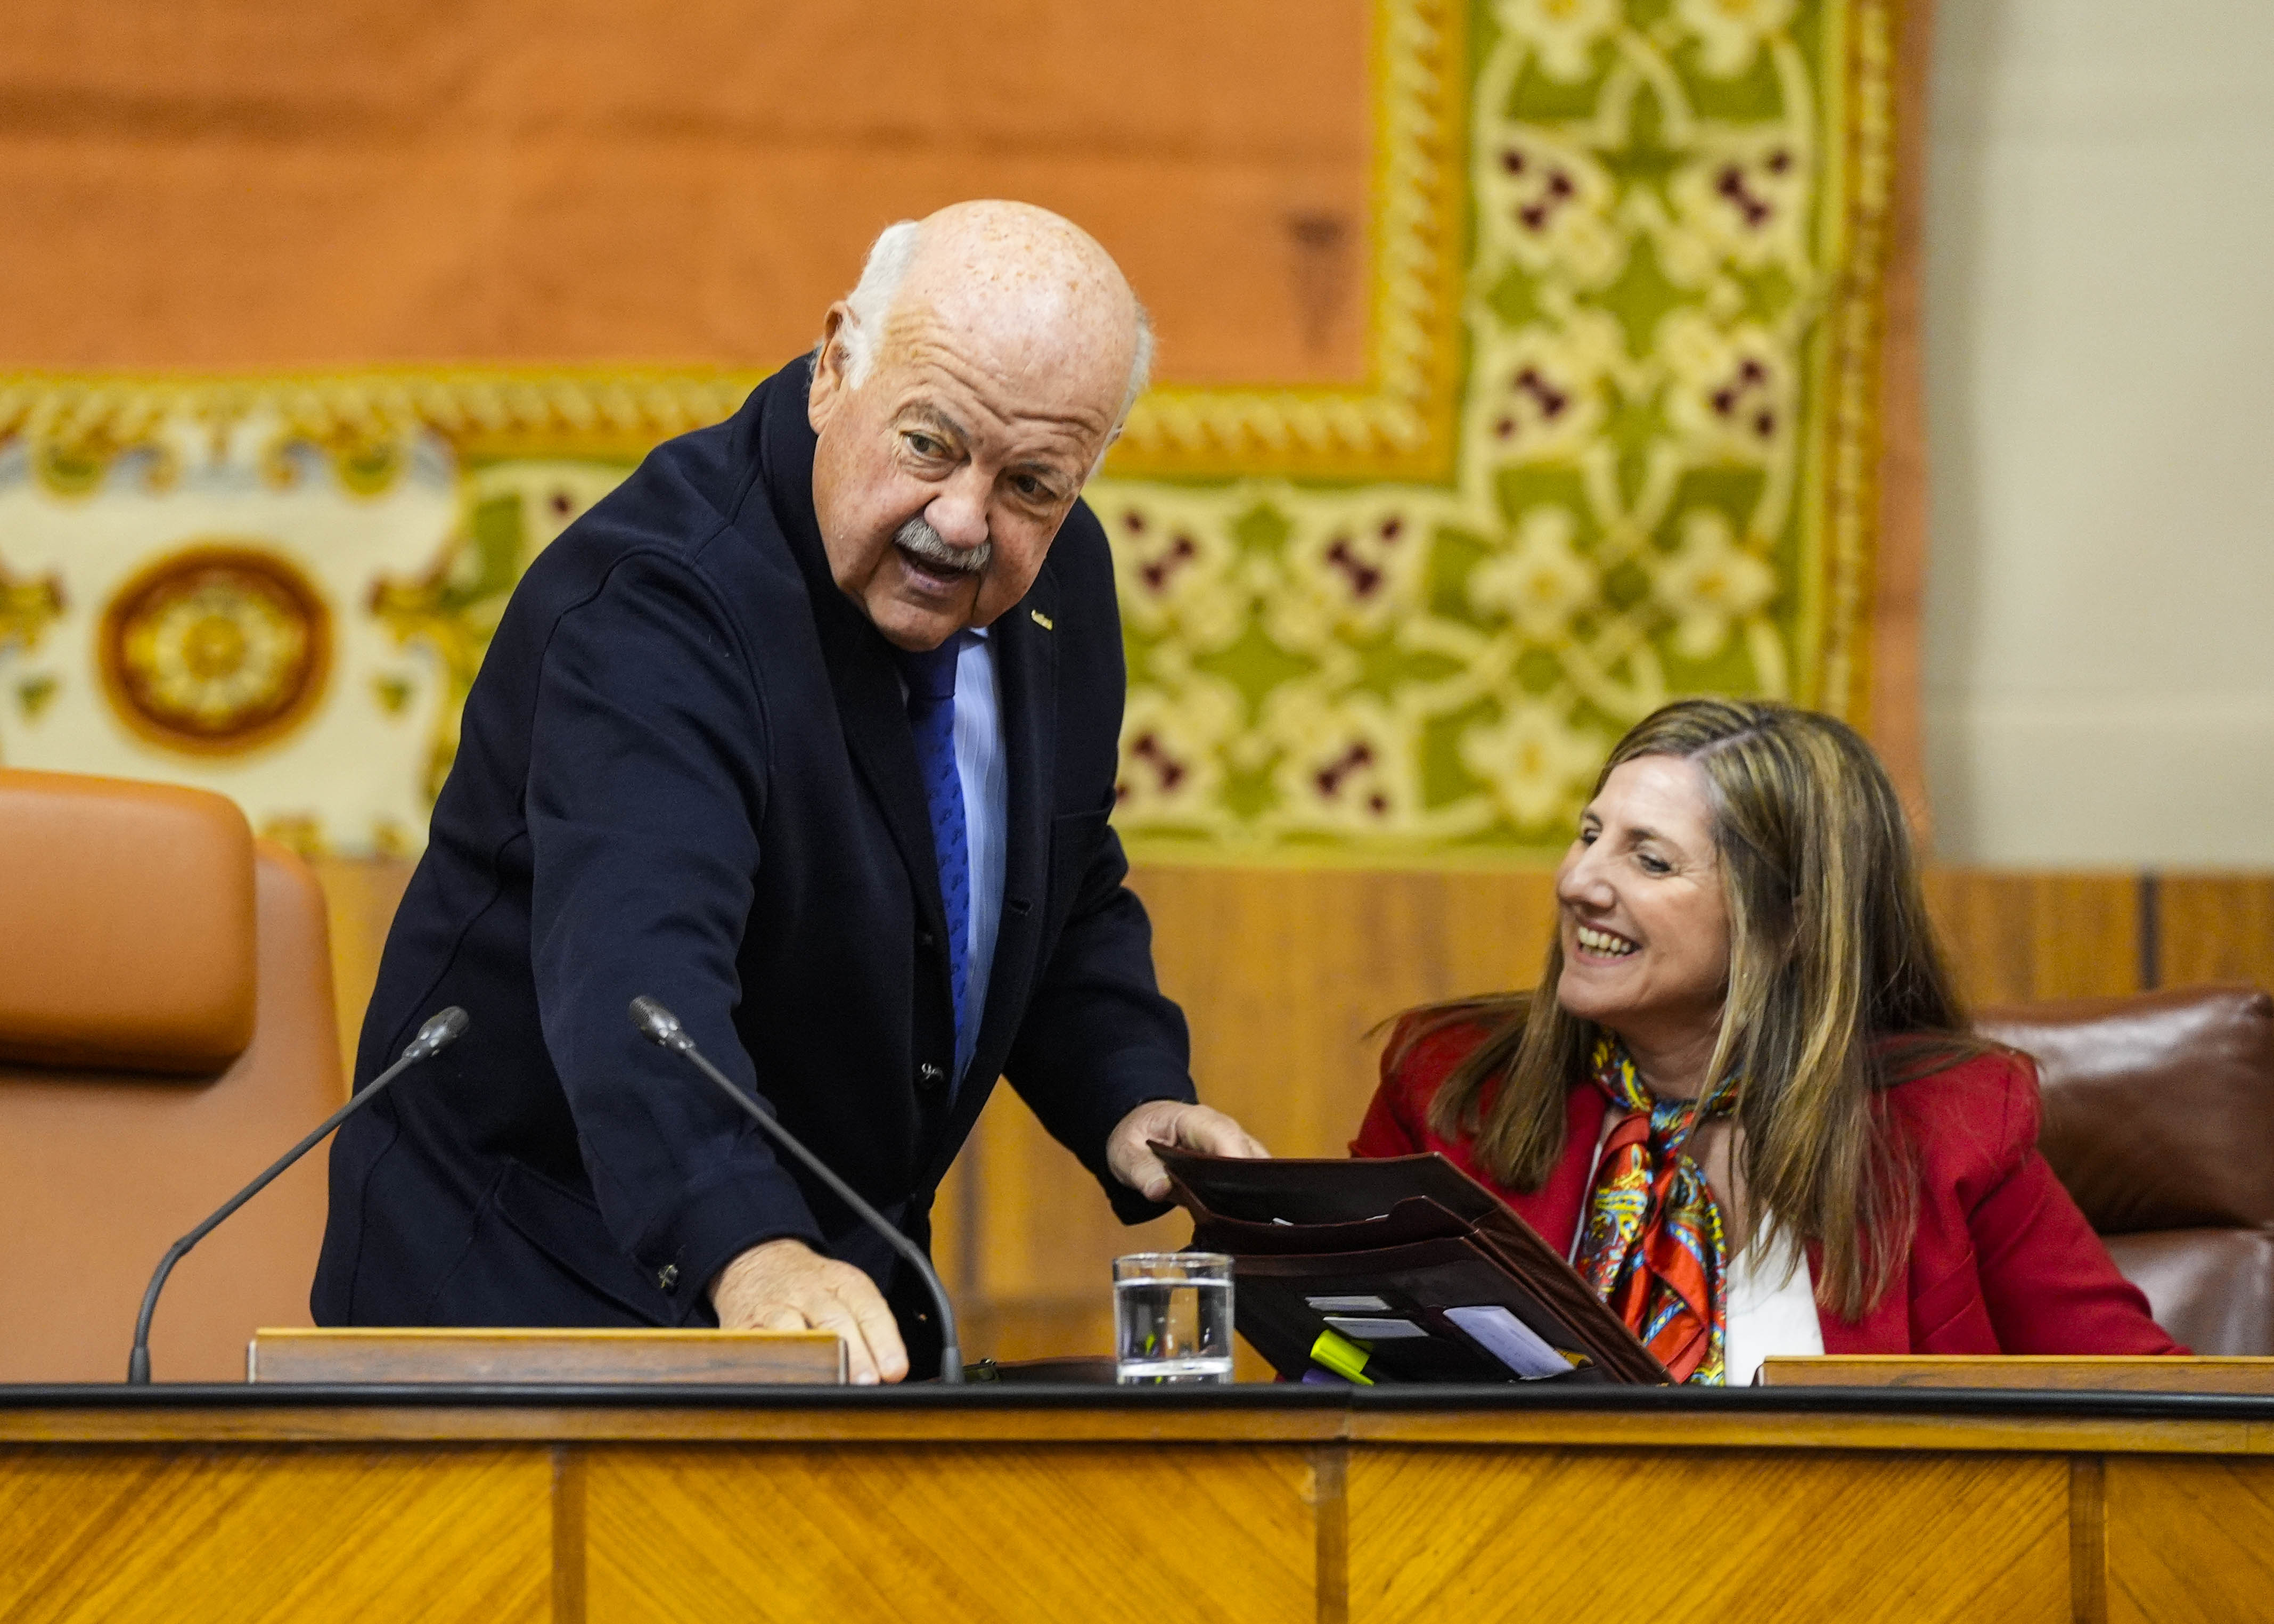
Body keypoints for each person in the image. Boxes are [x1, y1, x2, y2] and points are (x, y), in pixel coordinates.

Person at [314, 201, 1267, 1383]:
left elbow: (1049, 885)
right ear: (833, 370)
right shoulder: (656, 606)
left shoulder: (1058, 576)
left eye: (1029, 481)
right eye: (928, 443)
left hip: (825, 1322)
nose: (963, 518)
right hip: (527, 1313)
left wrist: (1130, 1095)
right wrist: (749, 1250)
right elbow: (636, 980)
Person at [1353, 699, 2180, 1382]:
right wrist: (1259, 1226)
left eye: (1648, 859)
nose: (1578, 881)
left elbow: (2154, 1403)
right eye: (1588, 832)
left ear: (1790, 923)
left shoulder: (1949, 1131)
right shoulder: (1448, 1087)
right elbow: (1333, 1379)